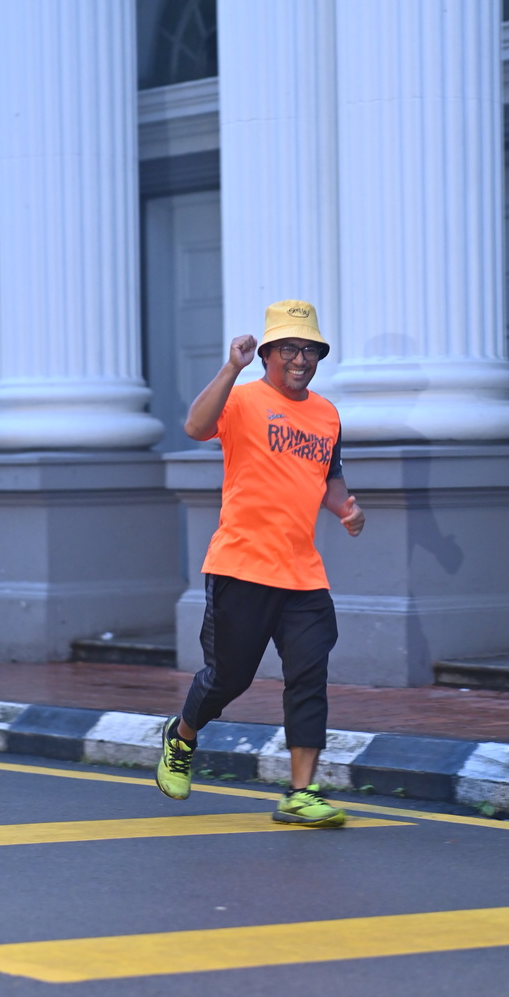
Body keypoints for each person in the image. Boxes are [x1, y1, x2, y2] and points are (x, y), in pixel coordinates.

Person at [157, 299, 365, 827]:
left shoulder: (327, 413)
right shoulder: (243, 398)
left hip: (302, 572)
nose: (300, 360)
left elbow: (329, 476)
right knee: (229, 678)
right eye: (289, 349)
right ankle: (182, 735)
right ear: (268, 353)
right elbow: (195, 426)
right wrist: (232, 367)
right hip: (241, 565)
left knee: (309, 675)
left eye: (310, 350)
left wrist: (345, 507)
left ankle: (301, 792)